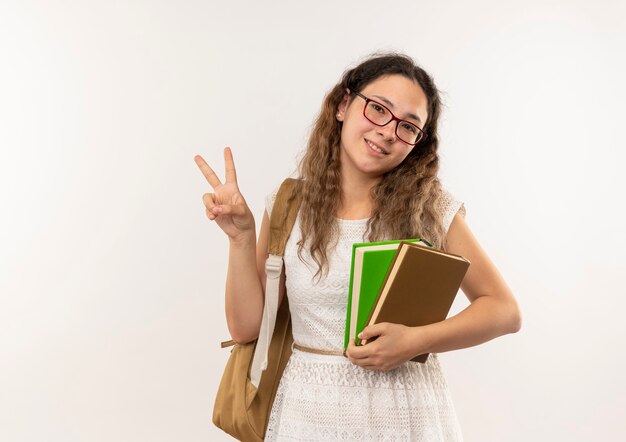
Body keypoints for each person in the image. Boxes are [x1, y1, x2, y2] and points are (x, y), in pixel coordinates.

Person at [195, 52, 522, 441]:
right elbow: (246, 326)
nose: (387, 131)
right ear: (343, 105)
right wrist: (241, 238)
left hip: (405, 413)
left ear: (418, 143)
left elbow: (504, 310)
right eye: (379, 109)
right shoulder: (288, 204)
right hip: (308, 409)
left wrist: (416, 341)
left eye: (408, 127)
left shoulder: (429, 208)